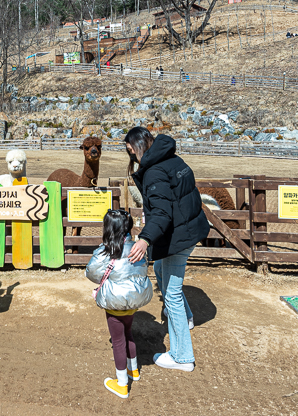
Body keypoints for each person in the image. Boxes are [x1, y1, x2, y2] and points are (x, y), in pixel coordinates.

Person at [124, 127, 210, 372]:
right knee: (161, 268)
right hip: (189, 229)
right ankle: (188, 316)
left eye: (131, 153)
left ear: (138, 147)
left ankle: (182, 357)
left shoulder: (154, 172)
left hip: (179, 237)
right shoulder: (172, 158)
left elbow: (161, 212)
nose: (132, 158)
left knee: (171, 294)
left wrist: (145, 239)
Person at [86, 209, 153, 399]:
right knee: (128, 333)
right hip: (133, 301)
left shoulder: (105, 251)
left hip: (114, 303)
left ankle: (122, 384)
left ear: (108, 228)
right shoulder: (137, 248)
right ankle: (134, 371)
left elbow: (91, 272)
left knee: (118, 341)